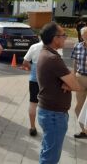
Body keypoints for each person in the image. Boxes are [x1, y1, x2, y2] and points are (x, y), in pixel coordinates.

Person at [37, 22, 82, 163]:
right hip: (54, 115)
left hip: (48, 112)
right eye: (63, 35)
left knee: (47, 150)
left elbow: (71, 83)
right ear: (55, 38)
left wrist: (68, 82)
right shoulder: (53, 58)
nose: (66, 38)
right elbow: (76, 85)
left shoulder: (45, 53)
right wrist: (70, 82)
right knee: (50, 157)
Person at [22, 40, 43, 137]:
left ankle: (32, 127)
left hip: (34, 79)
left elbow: (25, 62)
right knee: (46, 105)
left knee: (33, 103)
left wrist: (33, 69)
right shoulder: (53, 47)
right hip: (48, 82)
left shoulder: (34, 46)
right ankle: (46, 127)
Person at [71, 26, 87, 139]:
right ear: (82, 36)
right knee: (78, 107)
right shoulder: (78, 46)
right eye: (85, 34)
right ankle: (84, 131)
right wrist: (73, 75)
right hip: (80, 78)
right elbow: (75, 62)